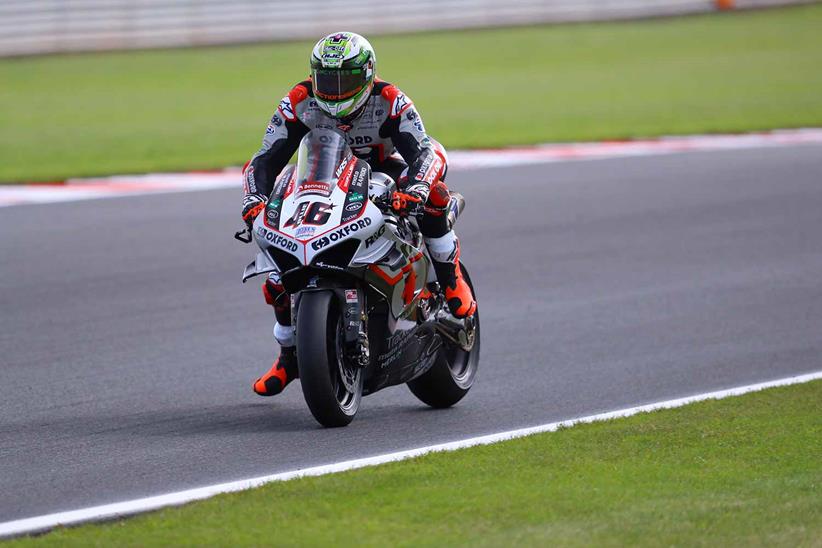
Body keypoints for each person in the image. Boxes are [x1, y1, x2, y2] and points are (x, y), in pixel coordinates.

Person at [242, 31, 476, 397]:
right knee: (278, 262)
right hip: (322, 180)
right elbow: (265, 159)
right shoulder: (298, 101)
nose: (334, 91)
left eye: (345, 80)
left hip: (383, 173)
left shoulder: (390, 99)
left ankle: (451, 280)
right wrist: (254, 198)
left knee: (435, 194)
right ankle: (289, 356)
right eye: (326, 80)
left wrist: (413, 188)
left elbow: (424, 151)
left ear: (367, 74)